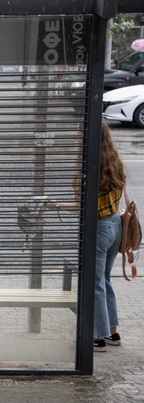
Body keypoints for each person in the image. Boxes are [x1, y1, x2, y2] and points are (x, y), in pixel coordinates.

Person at [46, 121, 126, 351]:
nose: (75, 136)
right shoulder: (114, 160)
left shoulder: (88, 167)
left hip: (98, 230)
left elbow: (83, 205)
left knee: (95, 283)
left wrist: (55, 205)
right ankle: (113, 332)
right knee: (105, 280)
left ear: (88, 136)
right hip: (115, 226)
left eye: (79, 132)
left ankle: (97, 337)